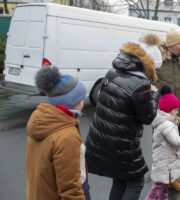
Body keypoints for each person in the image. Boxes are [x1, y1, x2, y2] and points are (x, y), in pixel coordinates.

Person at [85, 42, 160, 200]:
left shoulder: (112, 72)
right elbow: (148, 118)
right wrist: (153, 95)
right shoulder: (141, 84)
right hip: (123, 143)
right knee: (136, 181)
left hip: (102, 137)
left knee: (120, 179)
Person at [26, 66, 90, 200]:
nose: (83, 101)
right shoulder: (66, 135)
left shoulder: (42, 120)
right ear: (73, 103)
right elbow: (70, 188)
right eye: (81, 98)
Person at [154, 28, 180, 192]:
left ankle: (174, 179)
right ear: (171, 44)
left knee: (176, 149)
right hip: (162, 114)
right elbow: (149, 82)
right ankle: (160, 181)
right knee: (161, 148)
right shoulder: (158, 59)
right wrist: (157, 102)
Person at [145, 86, 180, 200]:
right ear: (167, 110)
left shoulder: (166, 121)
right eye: (175, 110)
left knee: (164, 186)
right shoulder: (166, 125)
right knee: (158, 186)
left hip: (165, 160)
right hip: (163, 162)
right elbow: (176, 141)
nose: (177, 112)